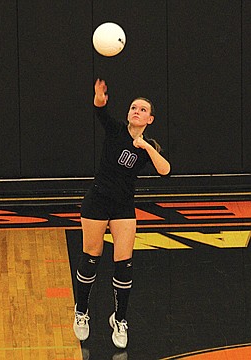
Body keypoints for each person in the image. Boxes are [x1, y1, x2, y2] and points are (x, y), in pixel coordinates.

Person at [73, 79, 171, 349]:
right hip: (97, 201)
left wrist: (147, 147)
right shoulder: (116, 130)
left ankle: (120, 318)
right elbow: (100, 112)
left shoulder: (147, 147)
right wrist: (100, 98)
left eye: (142, 109)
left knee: (124, 262)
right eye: (133, 108)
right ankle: (81, 311)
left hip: (123, 207)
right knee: (91, 258)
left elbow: (165, 170)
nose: (136, 111)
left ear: (149, 119)